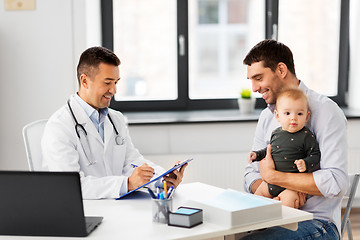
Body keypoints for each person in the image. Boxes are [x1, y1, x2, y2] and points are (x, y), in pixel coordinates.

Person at [41, 46, 187, 199]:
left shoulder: (116, 119)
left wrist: (162, 180)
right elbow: (70, 186)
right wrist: (127, 184)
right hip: (84, 212)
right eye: (107, 82)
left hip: (116, 206)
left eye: (116, 82)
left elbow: (132, 162)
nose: (114, 90)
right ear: (84, 81)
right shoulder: (59, 126)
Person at [242, 39, 348, 239]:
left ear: (281, 70)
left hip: (315, 221)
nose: (254, 88)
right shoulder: (268, 115)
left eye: (258, 78)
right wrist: (273, 193)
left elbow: (336, 182)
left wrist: (275, 178)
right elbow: (250, 174)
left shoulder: (326, 111)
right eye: (251, 80)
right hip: (271, 216)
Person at [249, 88, 321, 208]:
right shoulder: (276, 133)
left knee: (286, 207)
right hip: (269, 183)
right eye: (287, 113)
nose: (293, 118)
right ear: (277, 115)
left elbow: (315, 155)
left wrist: (306, 163)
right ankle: (259, 226)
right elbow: (269, 151)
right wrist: (257, 155)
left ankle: (278, 225)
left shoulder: (306, 135)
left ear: (307, 116)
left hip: (291, 187)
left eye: (299, 114)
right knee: (255, 203)